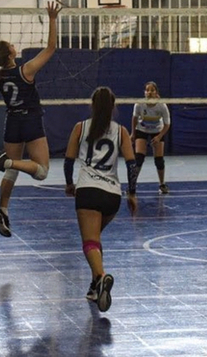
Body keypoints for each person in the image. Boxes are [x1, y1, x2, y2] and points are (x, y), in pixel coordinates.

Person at [0, 1, 62, 238]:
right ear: (11, 54)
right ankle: (6, 162)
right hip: (30, 121)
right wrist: (52, 18)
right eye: (12, 45)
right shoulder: (26, 70)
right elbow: (51, 48)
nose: (14, 45)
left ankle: (2, 210)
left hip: (11, 123)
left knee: (14, 170)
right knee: (41, 171)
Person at [64, 87, 139, 312]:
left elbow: (68, 160)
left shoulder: (81, 127)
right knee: (95, 240)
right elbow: (132, 164)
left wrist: (69, 184)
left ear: (92, 105)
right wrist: (132, 193)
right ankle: (94, 287)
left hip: (88, 190)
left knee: (89, 243)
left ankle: (101, 276)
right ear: (113, 107)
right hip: (112, 196)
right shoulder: (122, 131)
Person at [131, 81, 171, 194]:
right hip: (142, 129)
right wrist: (133, 134)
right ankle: (132, 185)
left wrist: (159, 137)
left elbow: (167, 124)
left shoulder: (162, 106)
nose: (149, 92)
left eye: (152, 90)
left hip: (157, 130)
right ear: (144, 92)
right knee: (139, 158)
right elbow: (134, 118)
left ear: (156, 93)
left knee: (159, 160)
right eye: (147, 90)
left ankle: (162, 184)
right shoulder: (139, 104)